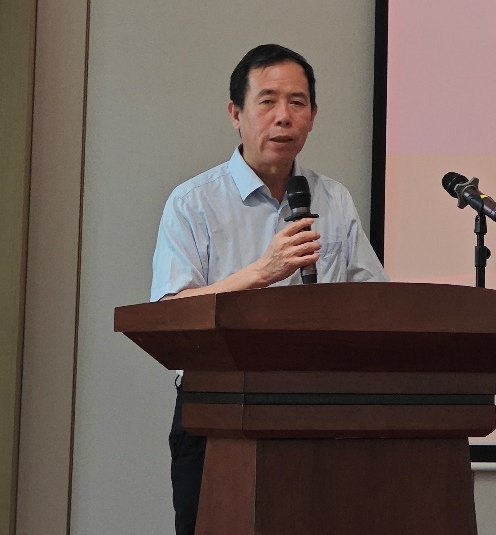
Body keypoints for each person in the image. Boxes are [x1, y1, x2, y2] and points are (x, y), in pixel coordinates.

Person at [150, 44, 387, 535]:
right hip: (217, 411)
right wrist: (261, 272)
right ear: (235, 113)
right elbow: (169, 317)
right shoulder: (193, 203)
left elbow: (374, 303)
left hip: (321, 411)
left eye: (298, 102)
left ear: (313, 116)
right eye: (268, 101)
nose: (284, 116)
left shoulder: (333, 199)